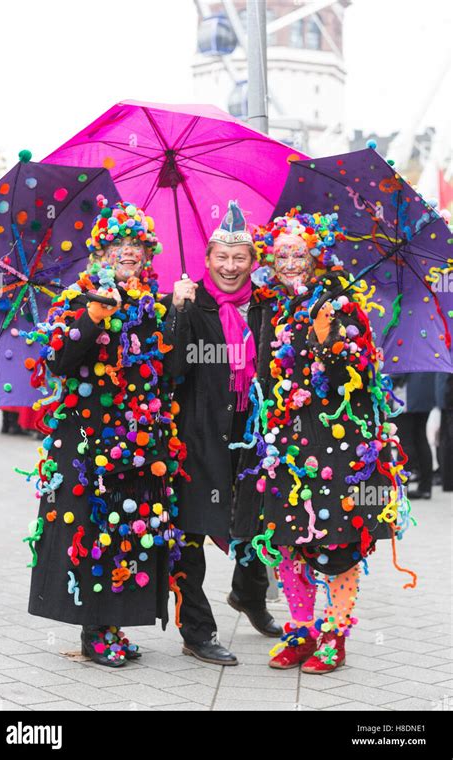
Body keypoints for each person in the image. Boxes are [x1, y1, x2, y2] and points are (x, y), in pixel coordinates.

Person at [231, 211, 416, 672]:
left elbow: (360, 377)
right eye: (281, 254)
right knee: (289, 542)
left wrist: (327, 341)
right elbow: (264, 374)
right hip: (284, 444)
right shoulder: (267, 305)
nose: (290, 261)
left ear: (316, 256)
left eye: (299, 253)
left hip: (338, 445)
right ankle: (301, 631)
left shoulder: (341, 304)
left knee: (338, 541)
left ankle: (335, 633)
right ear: (270, 261)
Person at [21, 197, 186, 667]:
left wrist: (177, 310)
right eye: (118, 242)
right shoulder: (79, 296)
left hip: (136, 440)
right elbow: (58, 361)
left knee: (128, 532)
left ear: (148, 252)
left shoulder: (149, 303)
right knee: (93, 528)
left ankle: (113, 625)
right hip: (86, 442)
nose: (128, 250)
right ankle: (94, 631)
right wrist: (93, 316)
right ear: (101, 250)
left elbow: (168, 371)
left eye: (137, 242)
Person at [162, 200, 281, 666]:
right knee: (192, 529)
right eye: (222, 257)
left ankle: (249, 596)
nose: (231, 267)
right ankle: (197, 631)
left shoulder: (266, 308)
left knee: (255, 521)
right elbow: (171, 369)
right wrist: (177, 313)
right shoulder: (191, 303)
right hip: (197, 433)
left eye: (240, 258)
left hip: (252, 430)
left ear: (253, 261)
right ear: (208, 258)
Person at [392, 373, 436, 499]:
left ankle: (402, 487)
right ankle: (425, 488)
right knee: (421, 439)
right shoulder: (429, 351)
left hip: (406, 395)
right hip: (425, 394)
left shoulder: (405, 351)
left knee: (405, 443)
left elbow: (399, 370)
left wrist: (387, 384)